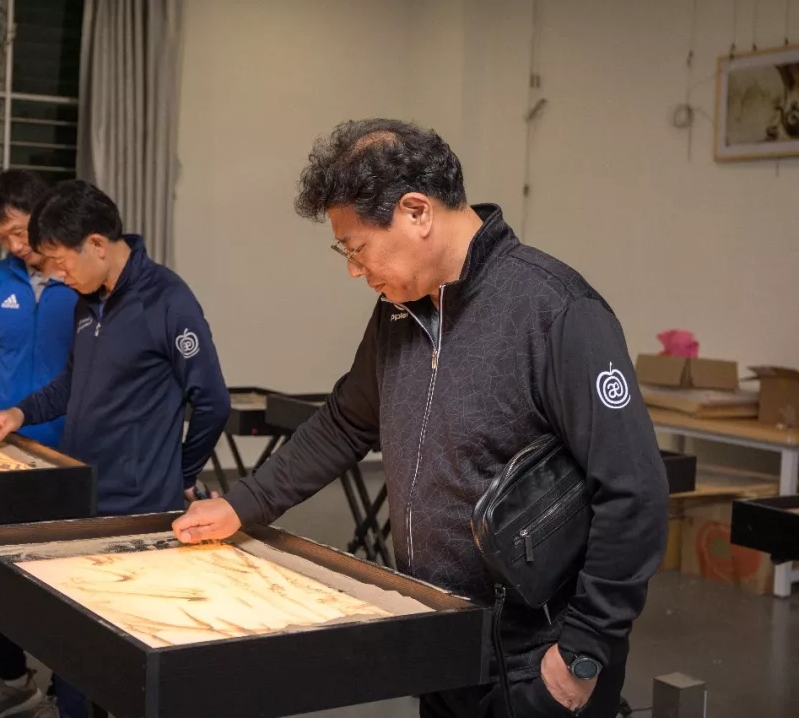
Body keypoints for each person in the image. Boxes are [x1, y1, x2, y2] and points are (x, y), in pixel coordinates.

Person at [171, 119, 669, 718]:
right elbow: (344, 424)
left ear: (416, 212)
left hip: (535, 662)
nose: (354, 269)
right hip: (441, 641)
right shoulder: (398, 313)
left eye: (356, 247)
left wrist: (582, 653)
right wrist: (242, 504)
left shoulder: (555, 311)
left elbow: (634, 493)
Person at [0, 179, 232, 718]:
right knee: (75, 644)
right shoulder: (87, 303)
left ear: (95, 244)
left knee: (129, 650)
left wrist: (181, 473)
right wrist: (19, 413)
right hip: (83, 492)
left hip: (138, 504)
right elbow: (71, 384)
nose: (56, 275)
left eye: (59, 262)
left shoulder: (167, 299)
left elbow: (211, 401)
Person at [0, 169, 78, 718]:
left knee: (69, 574)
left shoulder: (78, 276)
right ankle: (12, 680)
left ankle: (69, 689)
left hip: (75, 451)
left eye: (20, 231)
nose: (15, 246)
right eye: (3, 237)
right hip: (10, 449)